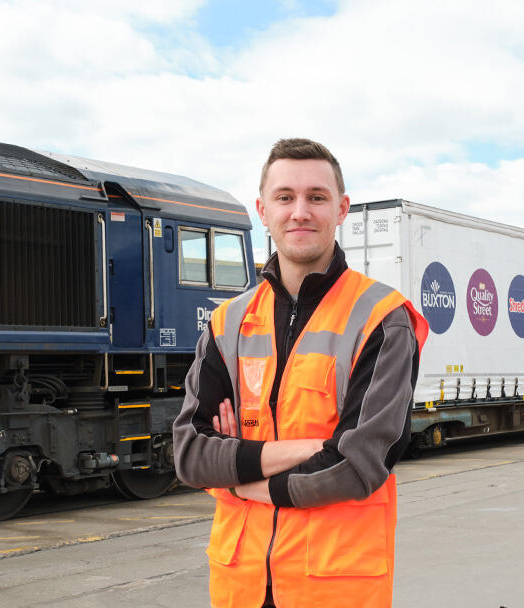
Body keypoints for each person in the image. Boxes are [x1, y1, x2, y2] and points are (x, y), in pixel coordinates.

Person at [173, 138, 428, 608]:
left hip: (335, 588)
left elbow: (356, 465)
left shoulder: (382, 318)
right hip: (240, 589)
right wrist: (307, 448)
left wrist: (239, 474)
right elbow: (190, 455)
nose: (300, 211)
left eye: (316, 197)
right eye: (285, 197)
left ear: (341, 208)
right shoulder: (227, 322)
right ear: (262, 210)